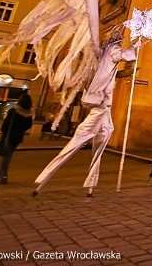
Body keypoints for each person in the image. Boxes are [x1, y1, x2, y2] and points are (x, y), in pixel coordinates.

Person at [33, 30, 137, 197]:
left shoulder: (103, 53)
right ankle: (45, 176)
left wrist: (132, 51)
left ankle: (91, 183)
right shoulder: (112, 50)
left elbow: (120, 66)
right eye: (119, 37)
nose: (120, 38)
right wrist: (135, 46)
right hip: (101, 105)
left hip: (104, 106)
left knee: (105, 134)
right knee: (80, 138)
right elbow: (124, 55)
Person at [0, 94, 34, 184]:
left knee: (6, 156)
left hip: (8, 135)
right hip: (18, 137)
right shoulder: (28, 113)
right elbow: (28, 125)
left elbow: (5, 125)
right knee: (7, 154)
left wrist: (4, 131)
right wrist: (20, 130)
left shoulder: (13, 111)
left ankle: (4, 176)